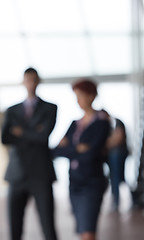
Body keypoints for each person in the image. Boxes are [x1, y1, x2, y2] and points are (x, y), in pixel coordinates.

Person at [1, 67, 58, 240]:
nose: (31, 84)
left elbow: (43, 137)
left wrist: (20, 132)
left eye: (34, 80)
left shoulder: (50, 108)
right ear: (23, 82)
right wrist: (34, 131)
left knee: (48, 227)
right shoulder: (11, 110)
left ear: (38, 81)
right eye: (28, 80)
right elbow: (5, 138)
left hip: (41, 173)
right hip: (16, 174)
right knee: (14, 228)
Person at [53, 78, 110, 240]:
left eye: (81, 95)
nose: (78, 100)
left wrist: (69, 148)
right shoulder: (74, 124)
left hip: (92, 181)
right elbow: (56, 151)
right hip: (75, 182)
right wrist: (78, 148)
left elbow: (91, 154)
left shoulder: (101, 123)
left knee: (88, 231)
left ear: (91, 96)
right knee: (81, 229)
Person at [106, 117, 129, 211]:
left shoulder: (117, 122)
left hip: (117, 153)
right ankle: (116, 200)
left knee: (118, 178)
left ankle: (116, 201)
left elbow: (119, 138)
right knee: (116, 178)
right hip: (113, 154)